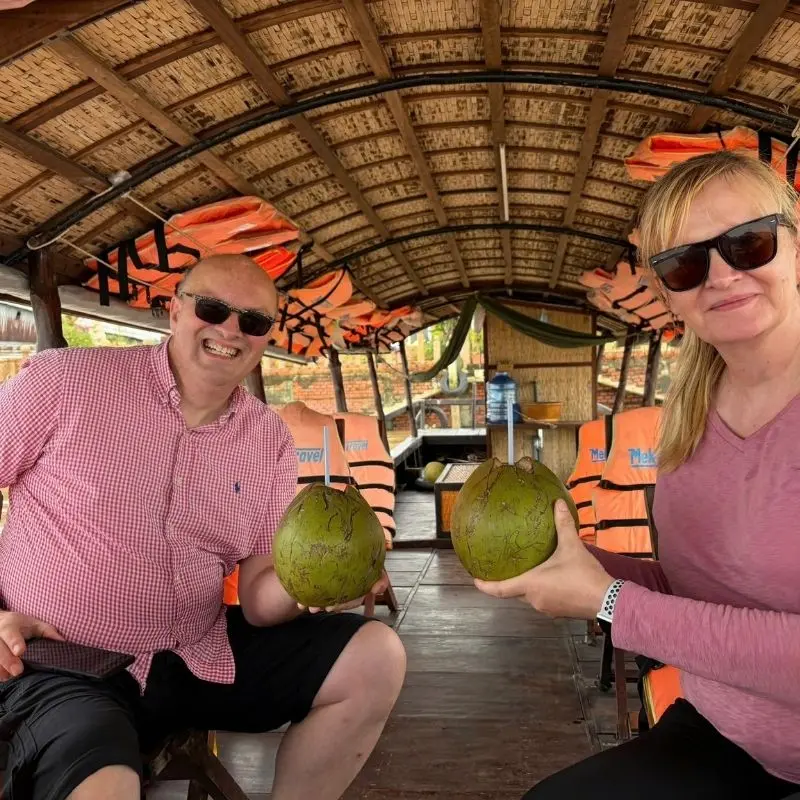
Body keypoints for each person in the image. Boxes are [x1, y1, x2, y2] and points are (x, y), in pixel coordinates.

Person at [0, 253, 406, 800]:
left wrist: (314, 580)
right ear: (174, 312)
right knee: (103, 786)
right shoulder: (67, 381)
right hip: (66, 665)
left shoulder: (268, 440)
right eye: (212, 309)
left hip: (196, 655)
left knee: (376, 655)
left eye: (253, 321)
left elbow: (262, 597)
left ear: (265, 337)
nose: (230, 331)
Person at [476, 151, 800, 799]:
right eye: (685, 263)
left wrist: (609, 601)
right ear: (667, 291)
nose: (722, 276)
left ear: (794, 244)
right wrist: (582, 565)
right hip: (723, 733)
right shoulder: (692, 413)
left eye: (749, 242)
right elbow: (699, 590)